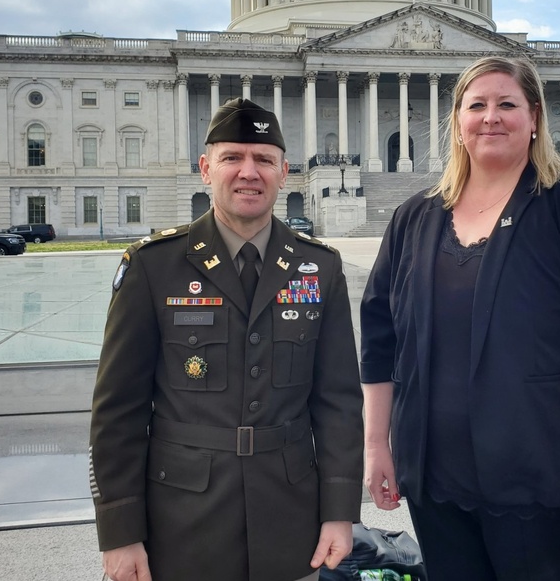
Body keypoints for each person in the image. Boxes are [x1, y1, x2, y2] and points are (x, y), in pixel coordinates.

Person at [360, 56, 560, 580]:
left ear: (535, 117)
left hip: (538, 488)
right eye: (477, 105)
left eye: (506, 104)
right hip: (436, 485)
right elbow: (381, 342)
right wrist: (376, 444)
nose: (490, 117)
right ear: (458, 121)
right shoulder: (413, 218)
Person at [90, 98, 364, 581]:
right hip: (183, 521)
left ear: (284, 172)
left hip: (289, 516)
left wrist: (339, 512)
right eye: (232, 158)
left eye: (263, 160)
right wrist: (120, 531)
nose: (248, 172)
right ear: (205, 169)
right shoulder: (154, 267)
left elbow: (338, 402)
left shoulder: (319, 267)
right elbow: (118, 412)